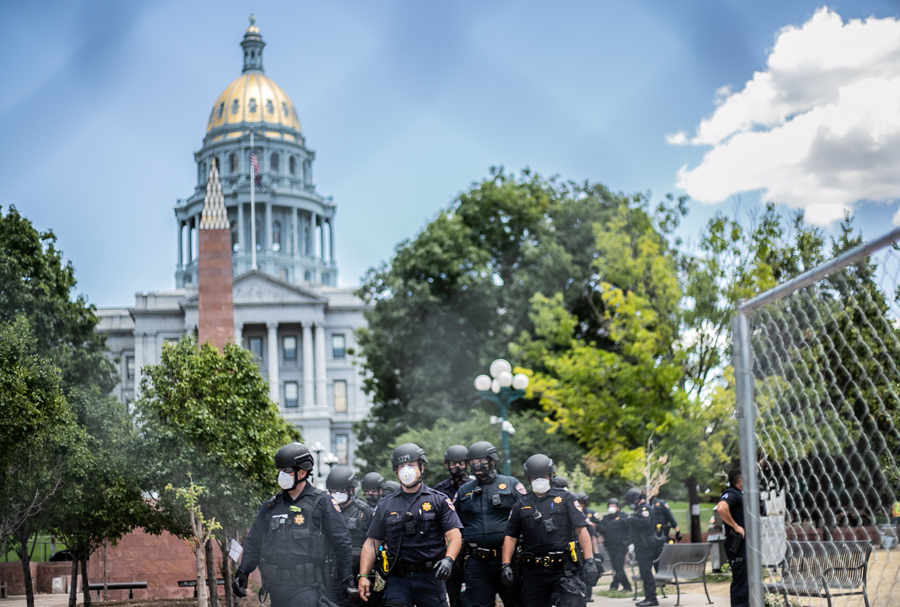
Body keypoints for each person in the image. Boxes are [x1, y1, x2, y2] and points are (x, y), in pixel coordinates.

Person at [232, 443, 354, 607]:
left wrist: (347, 578)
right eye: (280, 470)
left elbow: (342, 542)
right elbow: (254, 542)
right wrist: (243, 571)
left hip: (308, 587)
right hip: (276, 589)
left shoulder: (322, 502)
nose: (282, 474)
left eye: (287, 470)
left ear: (303, 472)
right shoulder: (271, 506)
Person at [358, 443, 463, 607]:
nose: (406, 470)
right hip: (397, 579)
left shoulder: (439, 500)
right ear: (396, 470)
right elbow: (372, 543)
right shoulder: (385, 505)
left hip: (431, 577)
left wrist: (449, 559)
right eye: (401, 466)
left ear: (421, 467)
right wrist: (363, 575)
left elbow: (454, 535)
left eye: (411, 465)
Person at [501, 454, 600, 607]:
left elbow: (581, 530)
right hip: (533, 571)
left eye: (543, 476)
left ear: (551, 475)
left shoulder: (566, 498)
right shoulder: (521, 504)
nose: (539, 480)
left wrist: (590, 560)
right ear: (529, 479)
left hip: (563, 568)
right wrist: (505, 564)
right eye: (535, 478)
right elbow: (510, 536)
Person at [455, 441, 526, 607]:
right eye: (473, 462)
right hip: (477, 561)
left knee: (516, 602)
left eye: (481, 461)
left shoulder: (511, 484)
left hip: (509, 558)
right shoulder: (464, 490)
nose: (477, 465)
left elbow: (527, 513)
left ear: (492, 461)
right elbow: (453, 522)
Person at [326, 466, 375, 606]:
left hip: (358, 575)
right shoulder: (325, 511)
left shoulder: (365, 512)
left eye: (341, 490)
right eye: (333, 491)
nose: (336, 494)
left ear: (351, 489)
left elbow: (374, 542)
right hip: (332, 577)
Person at [432, 446, 469, 607]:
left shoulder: (474, 487)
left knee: (474, 591)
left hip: (470, 547)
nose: (457, 466)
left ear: (466, 464)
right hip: (449, 547)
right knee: (452, 591)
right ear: (447, 465)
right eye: (453, 463)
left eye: (461, 463)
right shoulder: (439, 491)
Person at [716, 468, 747, 607]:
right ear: (740, 481)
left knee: (745, 579)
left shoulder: (739, 494)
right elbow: (721, 508)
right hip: (737, 543)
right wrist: (735, 526)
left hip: (742, 543)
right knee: (740, 581)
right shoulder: (732, 493)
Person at [625, 487, 657, 607]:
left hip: (645, 544)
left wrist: (631, 519)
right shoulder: (639, 509)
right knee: (644, 572)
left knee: (646, 571)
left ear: (635, 499)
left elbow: (645, 522)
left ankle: (651, 598)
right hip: (641, 544)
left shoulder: (644, 508)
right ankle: (648, 597)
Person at [598, 498, 631, 593]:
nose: (611, 507)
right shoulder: (606, 518)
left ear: (618, 507)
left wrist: (628, 541)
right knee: (617, 567)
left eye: (613, 506)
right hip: (609, 546)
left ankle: (613, 586)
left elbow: (630, 529)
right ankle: (627, 587)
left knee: (619, 567)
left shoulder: (623, 517)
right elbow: (601, 529)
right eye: (610, 506)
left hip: (620, 546)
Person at [650, 495, 682, 570]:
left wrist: (677, 531)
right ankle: (658, 574)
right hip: (650, 536)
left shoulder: (661, 503)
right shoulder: (645, 505)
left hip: (661, 535)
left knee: (661, 557)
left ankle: (663, 574)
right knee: (654, 559)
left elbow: (670, 517)